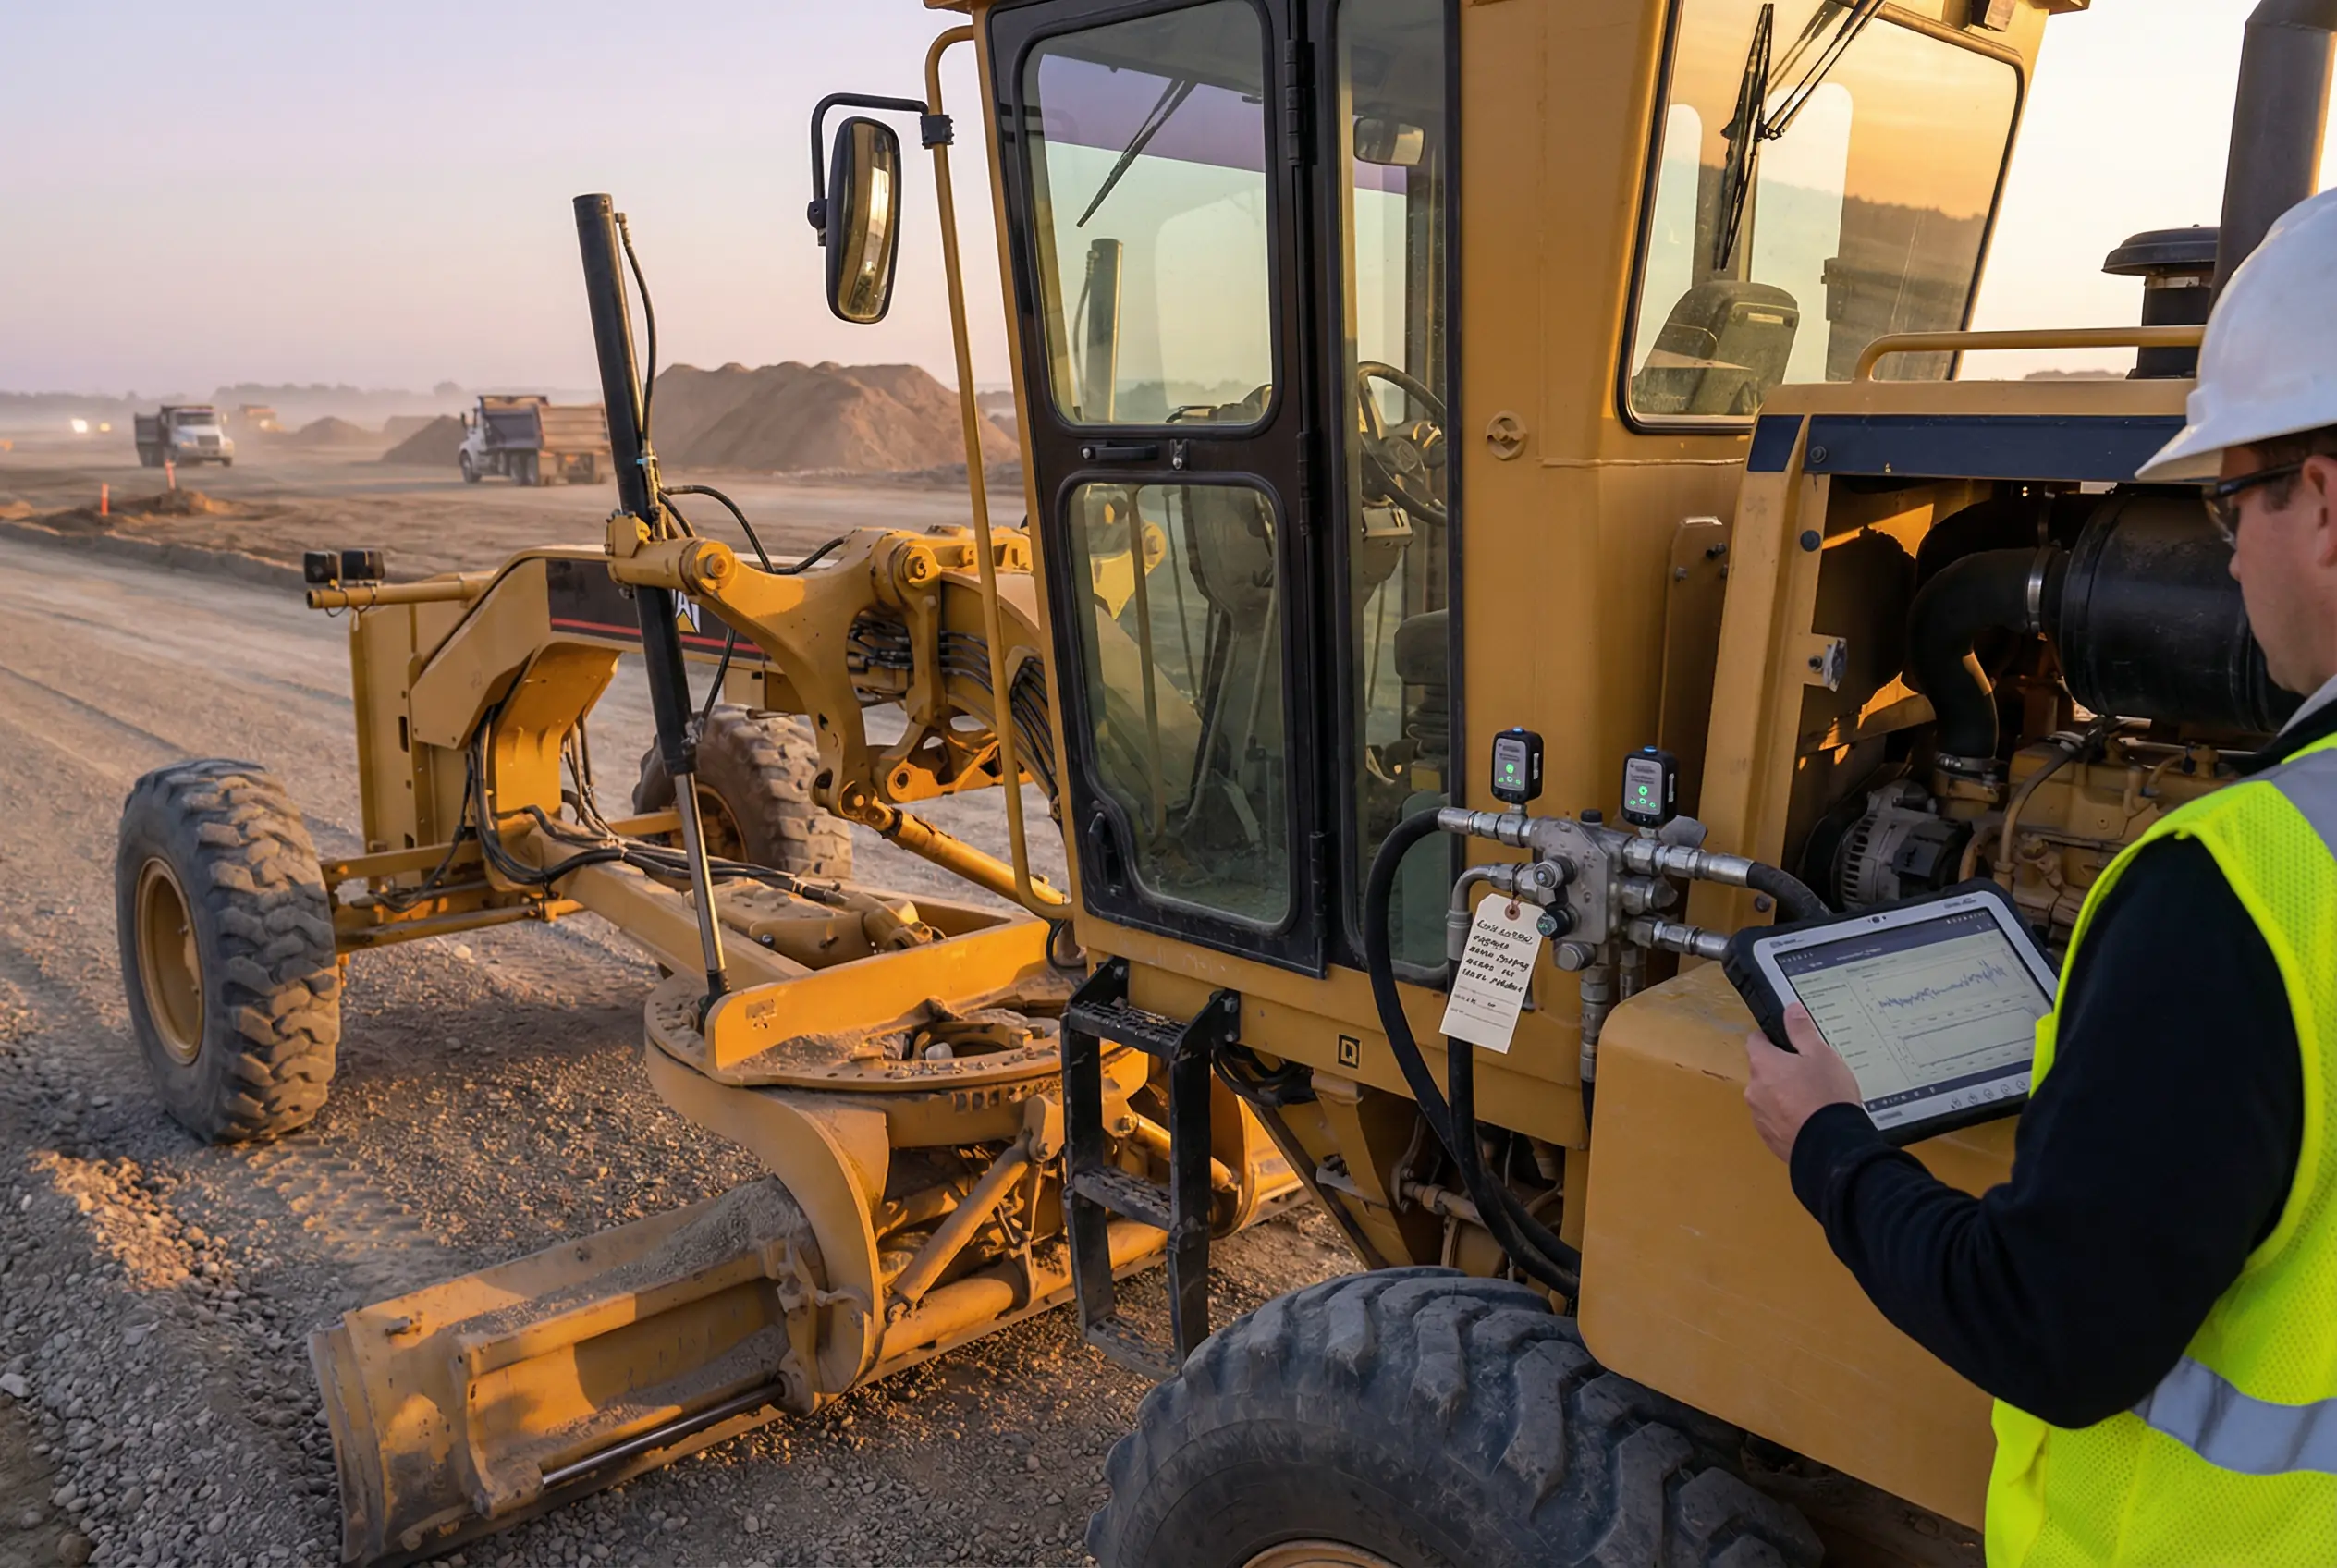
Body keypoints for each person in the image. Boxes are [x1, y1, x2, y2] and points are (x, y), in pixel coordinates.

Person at [1743, 184, 2337, 1566]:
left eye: (2227, 497)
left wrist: (1829, 1145)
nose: (2227, 546)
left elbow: (2050, 1333)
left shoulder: (2238, 889)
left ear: (2321, 503)